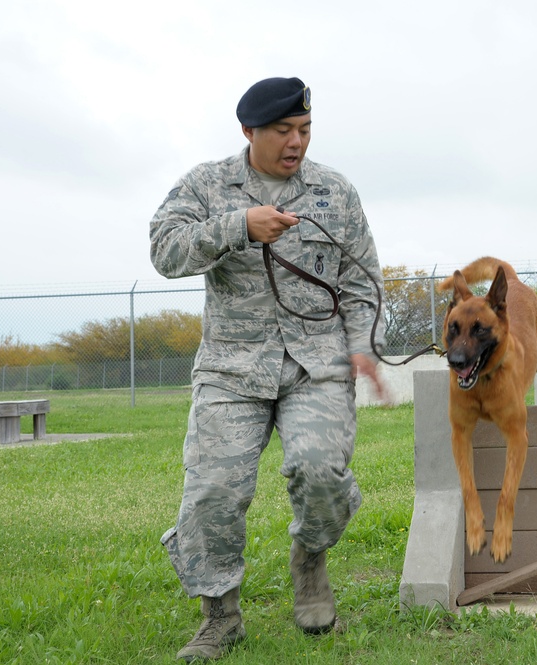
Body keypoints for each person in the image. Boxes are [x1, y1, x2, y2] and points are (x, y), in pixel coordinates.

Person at [150, 76, 386, 662]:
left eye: (304, 130)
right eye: (283, 131)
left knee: (320, 472)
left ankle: (310, 562)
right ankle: (220, 616)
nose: (296, 142)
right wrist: (237, 227)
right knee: (212, 493)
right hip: (233, 370)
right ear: (249, 131)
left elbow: (361, 280)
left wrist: (362, 346)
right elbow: (163, 249)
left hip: (317, 364)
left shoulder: (335, 191)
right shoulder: (207, 185)